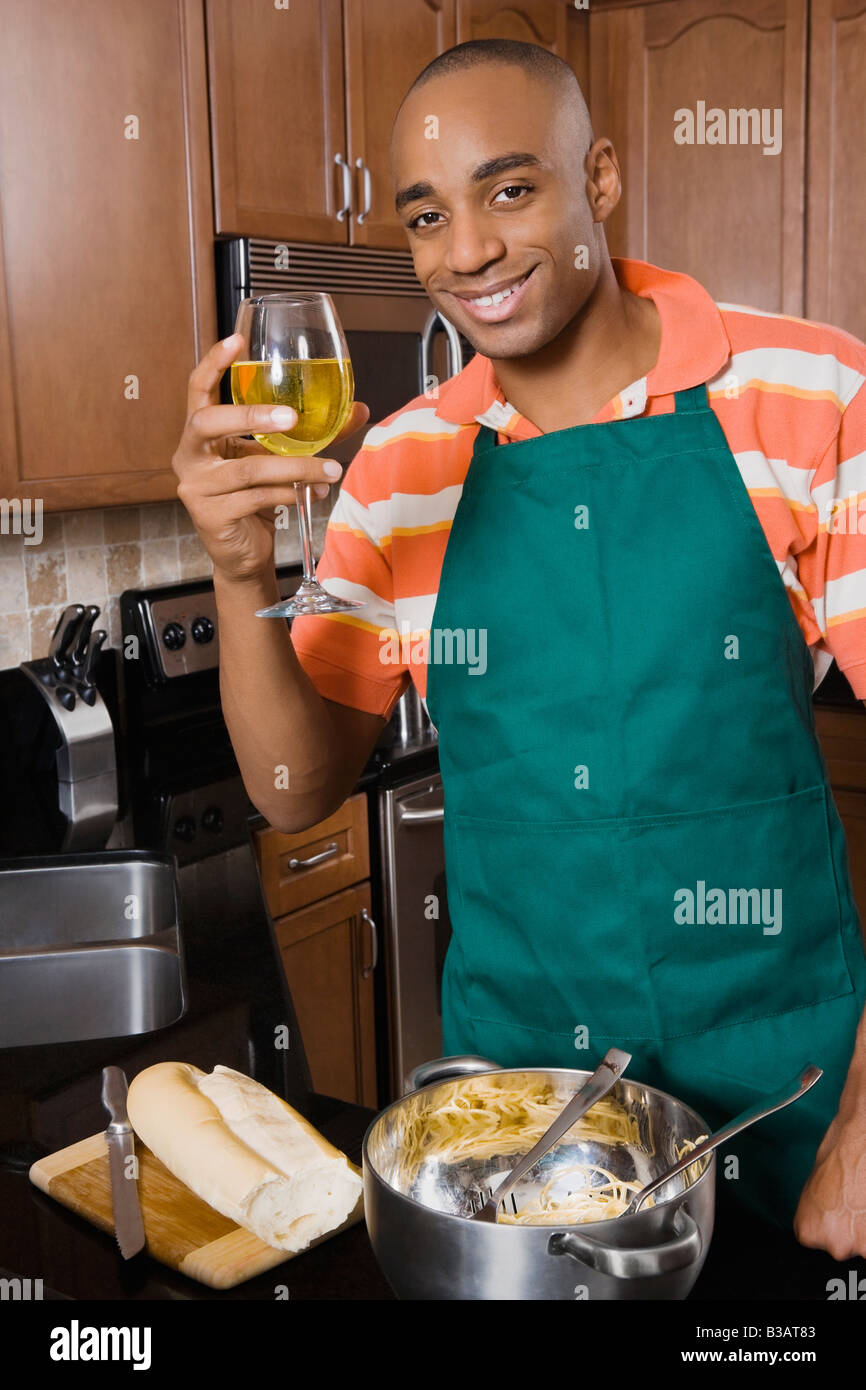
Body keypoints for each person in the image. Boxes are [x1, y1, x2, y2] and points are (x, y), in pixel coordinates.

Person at [172, 38, 866, 1259]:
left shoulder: (808, 393)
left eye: (508, 190)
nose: (467, 252)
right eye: (427, 215)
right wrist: (242, 580)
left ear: (597, 178)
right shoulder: (397, 465)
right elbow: (292, 792)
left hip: (792, 1102)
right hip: (522, 1133)